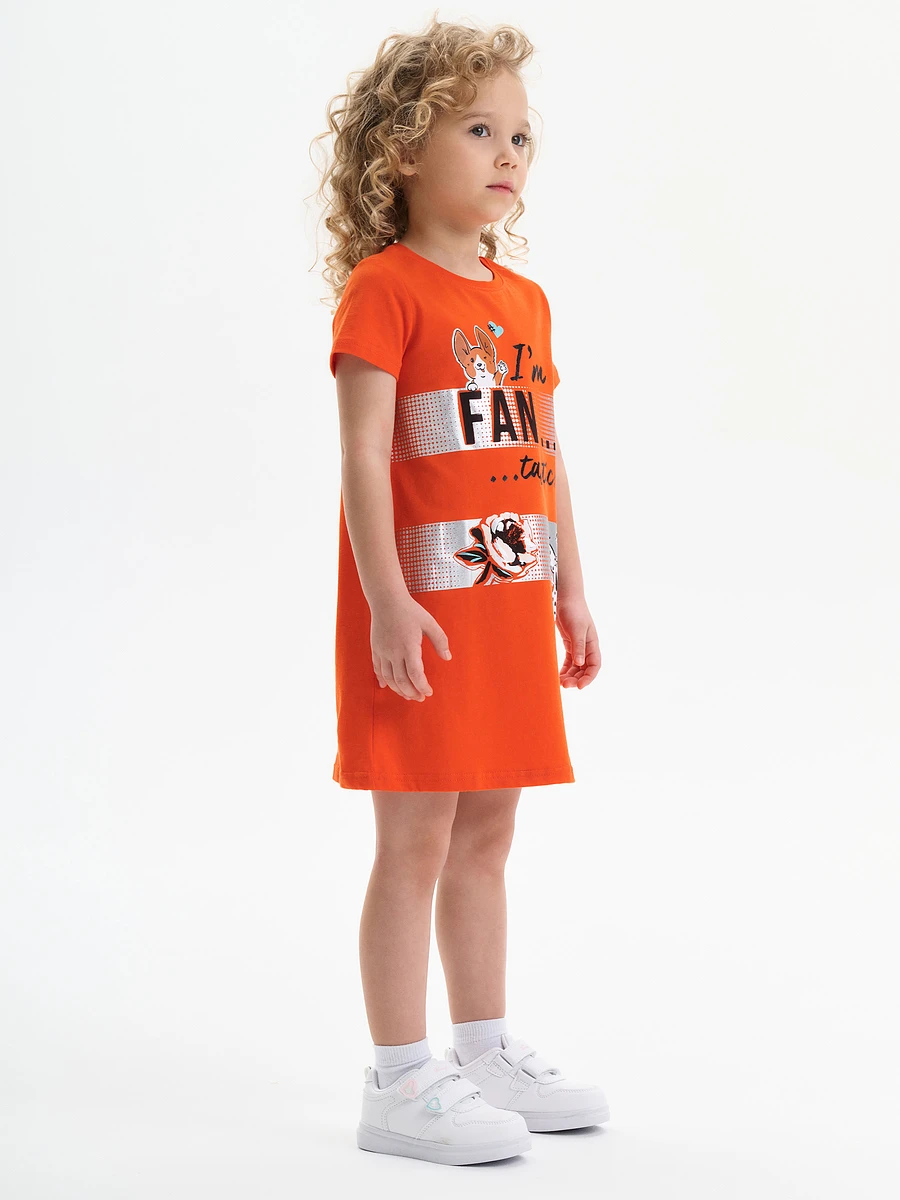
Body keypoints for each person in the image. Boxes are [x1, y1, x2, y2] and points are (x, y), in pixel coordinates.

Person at [311, 15, 608, 1166]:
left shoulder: (525, 301)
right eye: (479, 130)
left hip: (509, 614)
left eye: (521, 136)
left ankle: (480, 1050)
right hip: (424, 618)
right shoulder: (384, 290)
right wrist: (388, 599)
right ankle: (398, 1080)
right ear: (401, 149)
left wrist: (571, 591)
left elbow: (545, 453)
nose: (508, 154)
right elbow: (361, 455)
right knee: (416, 839)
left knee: (489, 832)